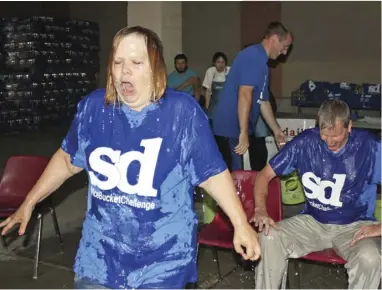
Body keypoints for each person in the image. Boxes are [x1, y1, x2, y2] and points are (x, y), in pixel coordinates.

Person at [0, 26, 261, 289]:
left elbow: (212, 174)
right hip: (99, 258)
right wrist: (29, 202)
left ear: (155, 69)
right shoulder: (94, 109)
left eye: (136, 62)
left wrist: (240, 224)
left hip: (163, 261)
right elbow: (68, 160)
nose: (124, 71)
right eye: (118, 62)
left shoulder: (182, 113)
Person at [252, 100, 381, 289]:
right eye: (324, 135)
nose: (329, 142)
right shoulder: (305, 142)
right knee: (268, 236)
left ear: (349, 126)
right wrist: (260, 209)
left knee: (370, 257)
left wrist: (380, 227)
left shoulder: (370, 147)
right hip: (313, 221)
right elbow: (264, 175)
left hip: (355, 225)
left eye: (335, 136)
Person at [212, 22, 292, 171]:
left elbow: (262, 101)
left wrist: (276, 131)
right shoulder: (253, 56)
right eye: (285, 46)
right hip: (229, 129)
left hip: (235, 129)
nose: (285, 52)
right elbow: (245, 94)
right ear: (274, 39)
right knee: (233, 179)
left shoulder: (263, 64)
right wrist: (243, 131)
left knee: (237, 175)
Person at [202, 52, 230, 124]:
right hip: (214, 105)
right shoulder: (210, 71)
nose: (221, 65)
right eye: (218, 62)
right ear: (214, 63)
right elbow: (208, 91)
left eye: (223, 62)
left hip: (227, 104)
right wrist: (207, 108)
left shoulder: (230, 70)